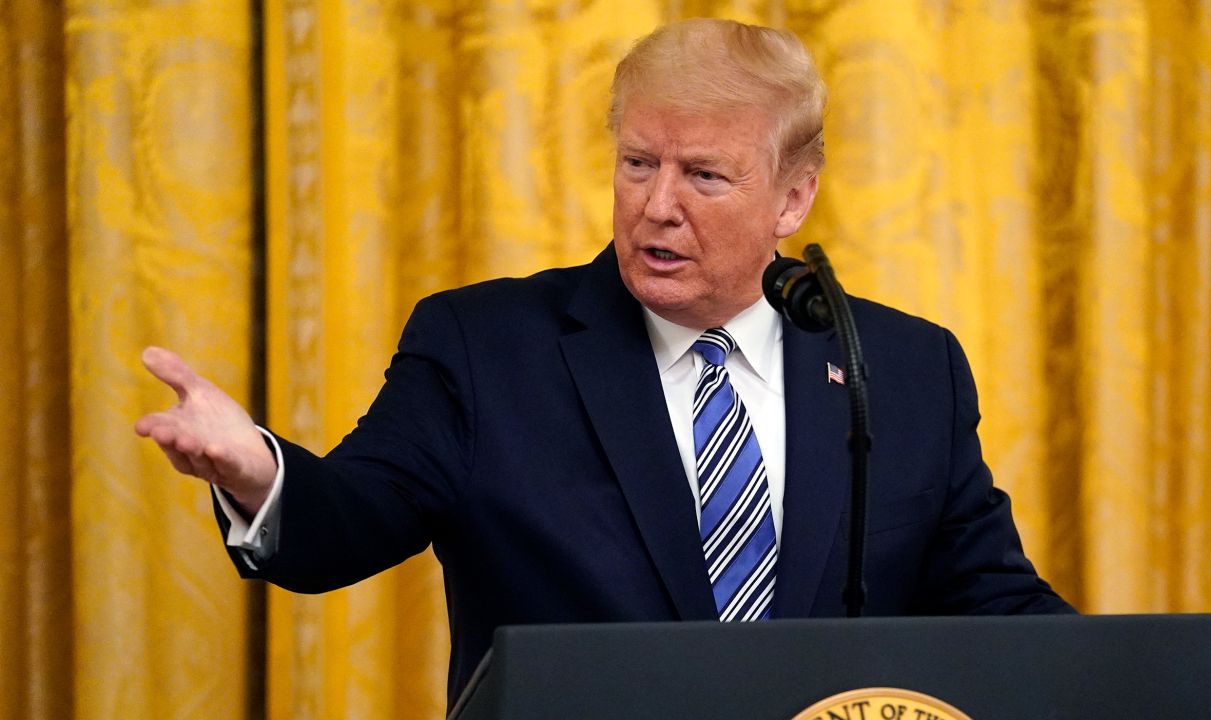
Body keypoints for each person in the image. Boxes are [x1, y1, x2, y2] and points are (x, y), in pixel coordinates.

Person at [136, 18, 1072, 708]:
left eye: (703, 175)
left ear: (794, 198)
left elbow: (990, 599)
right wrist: (260, 473)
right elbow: (348, 522)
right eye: (637, 164)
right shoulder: (486, 348)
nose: (657, 205)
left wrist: (1133, 681)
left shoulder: (902, 369)